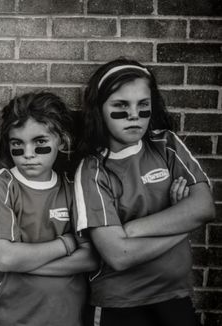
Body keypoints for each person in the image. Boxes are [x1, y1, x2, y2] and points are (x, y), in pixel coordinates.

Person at [74, 58, 215, 326]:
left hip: (175, 297)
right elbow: (118, 255)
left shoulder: (167, 145)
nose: (133, 115)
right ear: (99, 109)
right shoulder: (93, 170)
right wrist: (183, 223)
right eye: (120, 105)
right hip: (120, 304)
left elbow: (204, 207)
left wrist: (133, 228)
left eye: (143, 105)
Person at [0, 92, 98, 326]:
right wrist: (68, 243)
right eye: (17, 145)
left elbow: (92, 258)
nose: (28, 154)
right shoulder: (1, 184)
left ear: (61, 141)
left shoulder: (73, 187)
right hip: (11, 318)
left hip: (66, 317)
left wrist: (26, 263)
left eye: (40, 142)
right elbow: (5, 259)